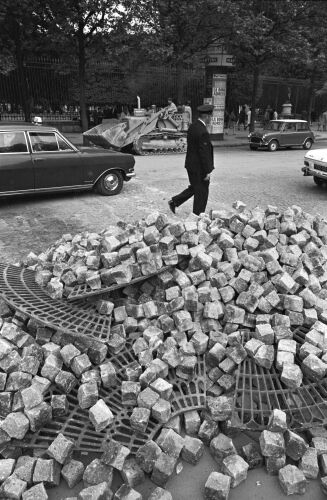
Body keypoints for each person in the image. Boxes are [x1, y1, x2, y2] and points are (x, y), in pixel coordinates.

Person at [168, 104, 214, 216]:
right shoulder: (202, 131)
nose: (211, 119)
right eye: (210, 116)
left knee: (195, 188)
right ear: (206, 116)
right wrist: (207, 171)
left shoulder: (193, 126)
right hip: (199, 168)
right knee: (202, 192)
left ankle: (174, 202)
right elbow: (204, 153)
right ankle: (198, 215)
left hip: (191, 165)